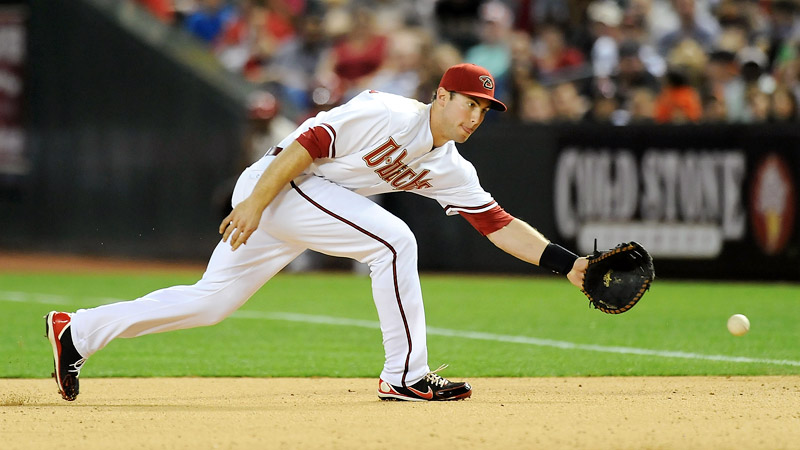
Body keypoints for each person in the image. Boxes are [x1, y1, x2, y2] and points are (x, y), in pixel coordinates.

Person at [45, 63, 589, 403]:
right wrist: (256, 203)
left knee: (209, 303)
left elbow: (498, 225)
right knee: (394, 241)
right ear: (442, 97)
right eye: (471, 104)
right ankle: (405, 375)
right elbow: (308, 142)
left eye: (485, 111)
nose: (476, 117)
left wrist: (571, 266)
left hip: (304, 204)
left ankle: (77, 332)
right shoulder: (387, 112)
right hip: (279, 183)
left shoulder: (451, 168)